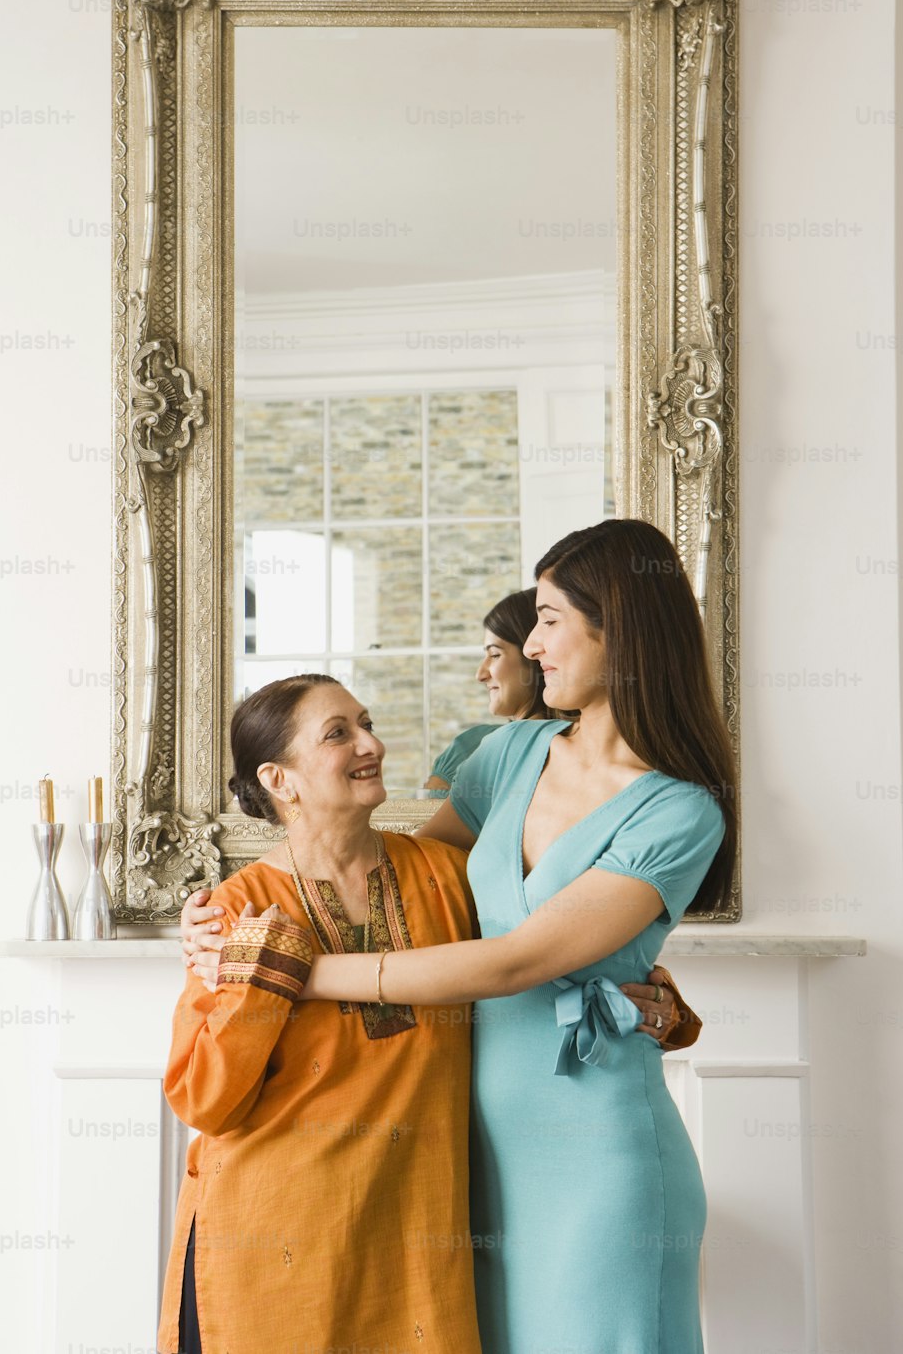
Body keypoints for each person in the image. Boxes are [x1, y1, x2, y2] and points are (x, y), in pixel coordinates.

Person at [187, 518, 734, 1353]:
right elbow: (410, 880)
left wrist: (289, 970)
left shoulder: (680, 807)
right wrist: (222, 921)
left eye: (549, 619)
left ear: (615, 626)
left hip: (597, 1147)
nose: (533, 644)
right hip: (470, 1158)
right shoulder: (506, 755)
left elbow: (518, 958)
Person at [157, 673, 483, 1354]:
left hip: (410, 1234)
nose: (372, 744)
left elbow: (531, 963)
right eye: (339, 734)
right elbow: (204, 1099)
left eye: (366, 723)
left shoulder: (446, 876)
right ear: (280, 779)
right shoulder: (235, 910)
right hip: (271, 1236)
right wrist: (267, 974)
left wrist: (647, 998)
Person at [424, 586, 552, 797]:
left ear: (535, 656)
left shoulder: (575, 750)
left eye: (494, 655)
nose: (480, 675)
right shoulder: (469, 745)